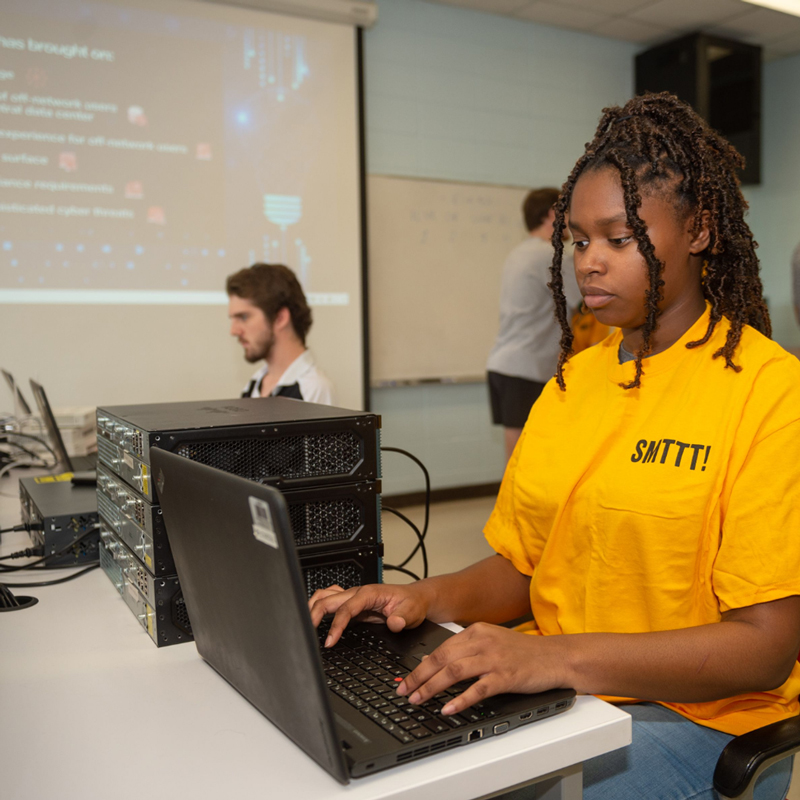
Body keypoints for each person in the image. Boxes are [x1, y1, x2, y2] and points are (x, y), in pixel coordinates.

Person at [308, 93, 800, 800]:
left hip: (697, 719)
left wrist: (550, 659)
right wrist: (421, 597)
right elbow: (526, 564)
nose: (589, 263)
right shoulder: (573, 382)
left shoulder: (769, 390)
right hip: (565, 686)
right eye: (578, 240)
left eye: (619, 239)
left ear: (698, 230)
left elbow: (764, 646)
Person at [486, 188, 582, 461]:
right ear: (552, 213)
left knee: (518, 450)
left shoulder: (520, 252)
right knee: (524, 453)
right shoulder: (548, 255)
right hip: (526, 368)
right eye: (566, 211)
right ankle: (518, 504)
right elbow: (584, 301)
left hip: (505, 365)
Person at [227, 263, 335, 404]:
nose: (234, 331)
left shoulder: (313, 389)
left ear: (280, 318)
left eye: (244, 317)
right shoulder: (254, 384)